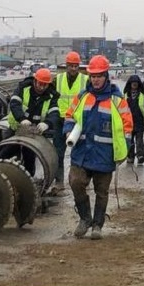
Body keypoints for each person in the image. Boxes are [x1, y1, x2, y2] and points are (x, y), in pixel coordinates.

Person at [63, 54, 132, 240]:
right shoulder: (82, 97)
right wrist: (68, 131)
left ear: (106, 76)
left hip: (105, 155)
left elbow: (127, 127)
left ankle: (97, 225)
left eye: (99, 76)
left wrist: (124, 150)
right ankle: (85, 218)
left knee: (101, 192)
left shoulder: (117, 101)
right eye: (93, 76)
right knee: (76, 182)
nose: (95, 79)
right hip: (82, 153)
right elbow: (70, 116)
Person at [51, 51, 86, 189]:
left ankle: (81, 180)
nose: (73, 68)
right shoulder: (58, 80)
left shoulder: (85, 80)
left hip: (78, 121)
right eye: (71, 65)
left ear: (78, 66)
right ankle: (59, 181)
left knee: (80, 152)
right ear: (66, 65)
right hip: (60, 120)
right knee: (58, 152)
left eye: (75, 66)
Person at [7, 67, 57, 134]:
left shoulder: (52, 96)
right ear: (34, 81)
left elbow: (55, 113)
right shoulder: (23, 88)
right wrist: (22, 119)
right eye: (40, 84)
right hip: (16, 128)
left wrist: (47, 123)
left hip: (38, 132)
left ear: (48, 84)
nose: (42, 88)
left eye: (45, 85)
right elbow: (14, 104)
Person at [123, 74, 144, 165]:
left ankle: (140, 156)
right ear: (130, 84)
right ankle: (130, 157)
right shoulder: (125, 96)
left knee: (139, 140)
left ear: (138, 84)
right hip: (128, 122)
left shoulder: (143, 95)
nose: (134, 85)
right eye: (133, 83)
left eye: (136, 83)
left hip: (139, 122)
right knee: (130, 141)